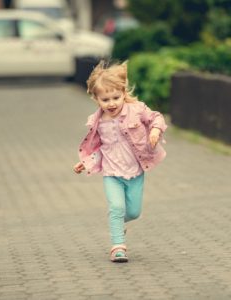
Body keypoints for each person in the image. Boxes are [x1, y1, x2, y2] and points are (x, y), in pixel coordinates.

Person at [73, 60, 167, 263]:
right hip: (112, 174)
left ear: (124, 93)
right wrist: (87, 162)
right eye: (105, 99)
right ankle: (118, 246)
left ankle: (117, 224)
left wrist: (156, 130)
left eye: (116, 97)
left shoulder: (137, 109)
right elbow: (101, 149)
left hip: (135, 171)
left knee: (133, 212)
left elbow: (156, 117)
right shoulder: (97, 122)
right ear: (96, 98)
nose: (112, 103)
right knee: (116, 207)